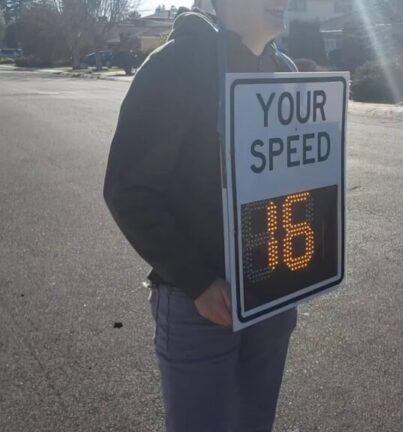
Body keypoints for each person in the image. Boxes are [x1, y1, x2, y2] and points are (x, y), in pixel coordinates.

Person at [103, 0, 298, 431]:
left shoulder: (284, 72)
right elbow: (128, 189)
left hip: (272, 298)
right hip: (201, 307)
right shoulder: (174, 67)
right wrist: (196, 281)